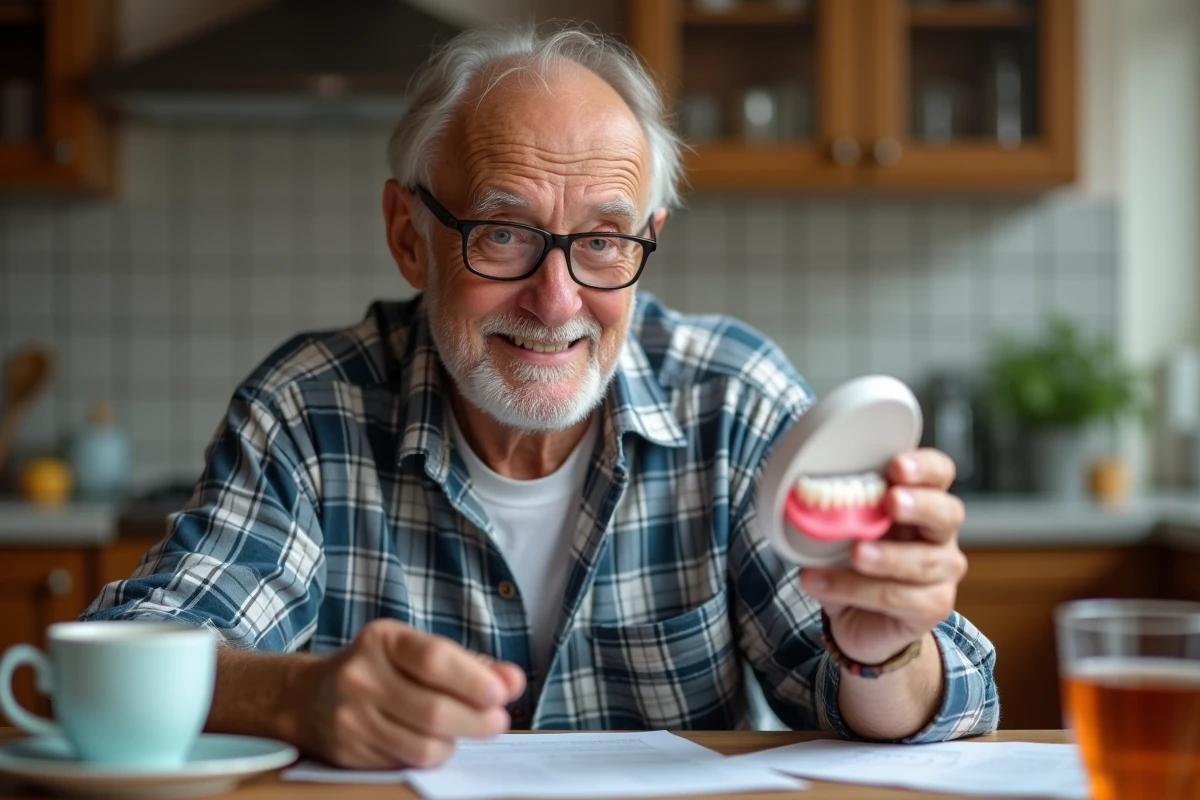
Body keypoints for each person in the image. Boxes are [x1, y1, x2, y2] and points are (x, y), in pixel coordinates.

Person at [82, 23, 998, 768]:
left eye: (603, 241)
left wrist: (887, 651)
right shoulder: (308, 412)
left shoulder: (733, 399)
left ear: (649, 237)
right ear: (410, 235)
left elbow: (929, 708)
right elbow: (121, 657)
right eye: (505, 233)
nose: (557, 300)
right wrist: (300, 695)